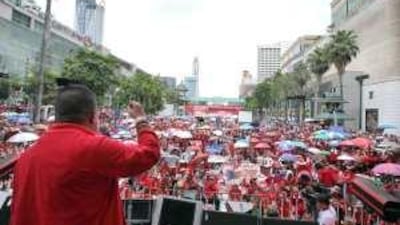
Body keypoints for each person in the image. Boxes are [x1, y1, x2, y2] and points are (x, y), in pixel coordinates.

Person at [10, 84, 160, 225]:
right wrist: (141, 120)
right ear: (92, 117)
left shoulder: (26, 158)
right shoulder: (95, 147)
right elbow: (149, 154)